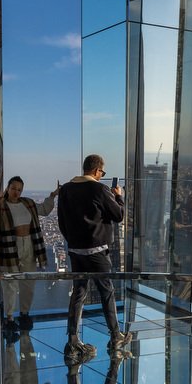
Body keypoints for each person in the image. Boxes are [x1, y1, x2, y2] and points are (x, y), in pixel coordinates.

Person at [55, 154, 128, 363]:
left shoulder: (66, 189)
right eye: (102, 173)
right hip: (97, 251)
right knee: (106, 292)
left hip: (76, 250)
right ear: (97, 171)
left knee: (79, 292)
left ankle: (72, 340)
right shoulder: (99, 189)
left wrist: (73, 242)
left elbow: (61, 222)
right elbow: (118, 215)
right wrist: (118, 196)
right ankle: (115, 336)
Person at [0, 175, 57, 330]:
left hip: (29, 244)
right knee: (10, 284)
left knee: (29, 282)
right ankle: (9, 317)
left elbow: (44, 210)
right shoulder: (0, 206)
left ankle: (24, 313)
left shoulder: (28, 203)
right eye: (13, 188)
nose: (16, 192)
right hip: (9, 247)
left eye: (19, 189)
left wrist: (52, 196)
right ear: (7, 188)